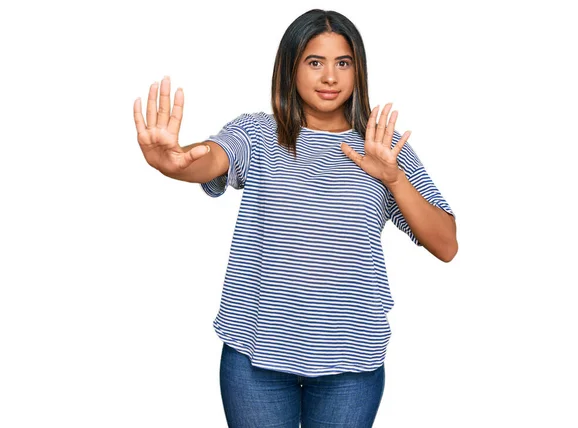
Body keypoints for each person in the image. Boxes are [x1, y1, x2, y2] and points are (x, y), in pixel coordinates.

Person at [133, 8, 457, 428]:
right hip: (256, 358)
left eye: (343, 63)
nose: (330, 77)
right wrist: (173, 164)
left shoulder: (381, 146)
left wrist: (394, 180)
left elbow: (446, 244)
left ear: (358, 70)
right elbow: (209, 159)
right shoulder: (258, 134)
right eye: (314, 62)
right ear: (290, 67)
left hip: (351, 360)